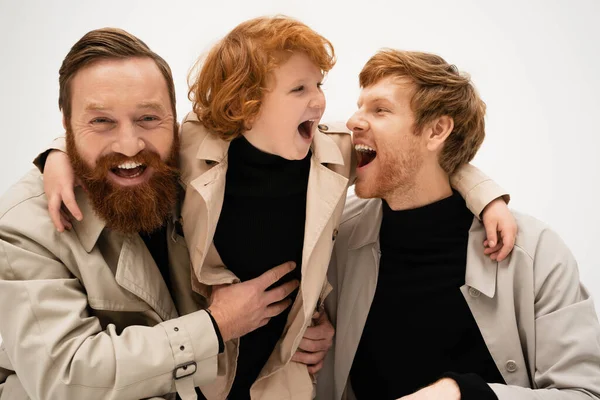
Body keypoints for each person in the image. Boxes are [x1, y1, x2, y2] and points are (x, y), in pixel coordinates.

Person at [39, 17, 516, 399]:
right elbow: (130, 140)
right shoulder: (193, 146)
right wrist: (60, 154)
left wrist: (486, 197)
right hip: (206, 360)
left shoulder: (331, 153)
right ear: (246, 104)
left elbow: (414, 155)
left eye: (319, 84)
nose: (322, 102)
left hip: (284, 371)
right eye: (300, 90)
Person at [0, 28, 306, 400]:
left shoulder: (194, 168)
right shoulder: (23, 227)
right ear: (67, 127)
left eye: (148, 118)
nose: (130, 144)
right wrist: (216, 326)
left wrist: (296, 338)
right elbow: (68, 377)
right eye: (101, 122)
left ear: (177, 121)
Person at [318, 49, 600, 400]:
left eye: (380, 110)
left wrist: (461, 395)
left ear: (437, 130)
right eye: (360, 107)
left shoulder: (536, 252)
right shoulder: (334, 237)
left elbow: (584, 394)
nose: (353, 122)